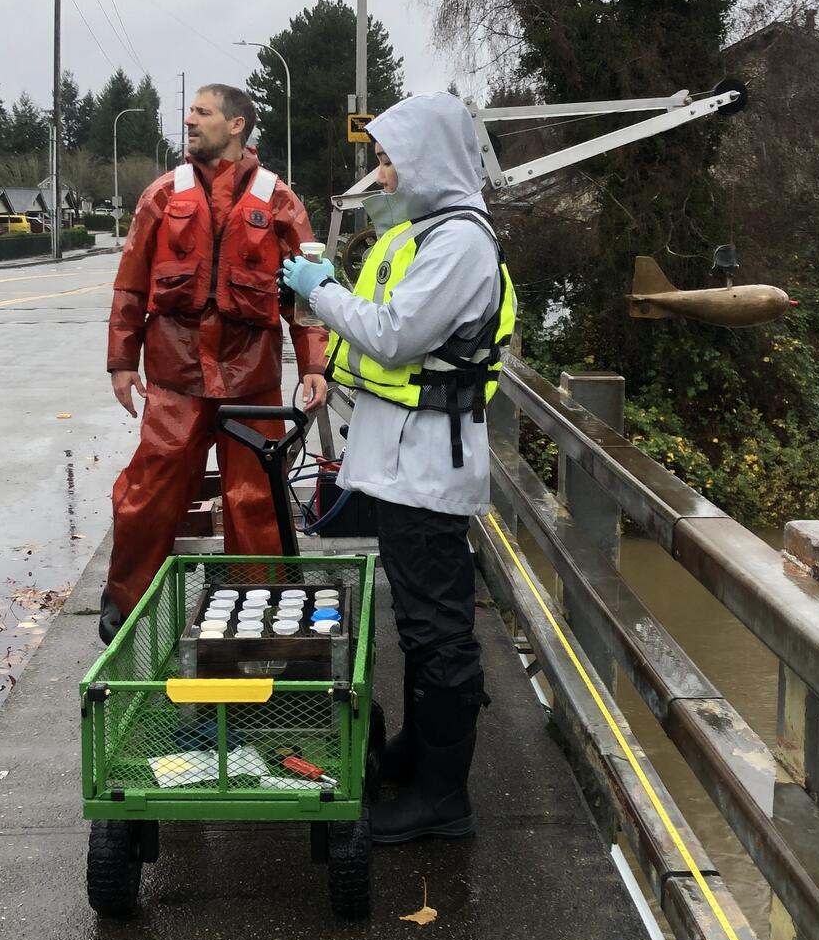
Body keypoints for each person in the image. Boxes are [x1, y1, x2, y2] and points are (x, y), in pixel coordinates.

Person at [283, 91, 517, 844]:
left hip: (426, 473)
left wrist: (320, 293)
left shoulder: (460, 244)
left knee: (439, 630)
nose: (381, 176)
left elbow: (392, 335)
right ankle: (420, 754)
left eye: (389, 161)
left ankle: (444, 799)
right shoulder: (433, 232)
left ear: (428, 161)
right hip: (406, 465)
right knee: (419, 624)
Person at [101, 83, 328, 643]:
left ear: (236, 124)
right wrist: (122, 360)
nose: (190, 121)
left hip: (250, 380)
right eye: (191, 113)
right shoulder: (161, 195)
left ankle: (261, 610)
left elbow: (306, 295)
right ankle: (125, 599)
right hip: (175, 377)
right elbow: (131, 283)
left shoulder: (279, 200)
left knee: (256, 500)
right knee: (149, 492)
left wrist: (313, 364)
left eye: (202, 113)